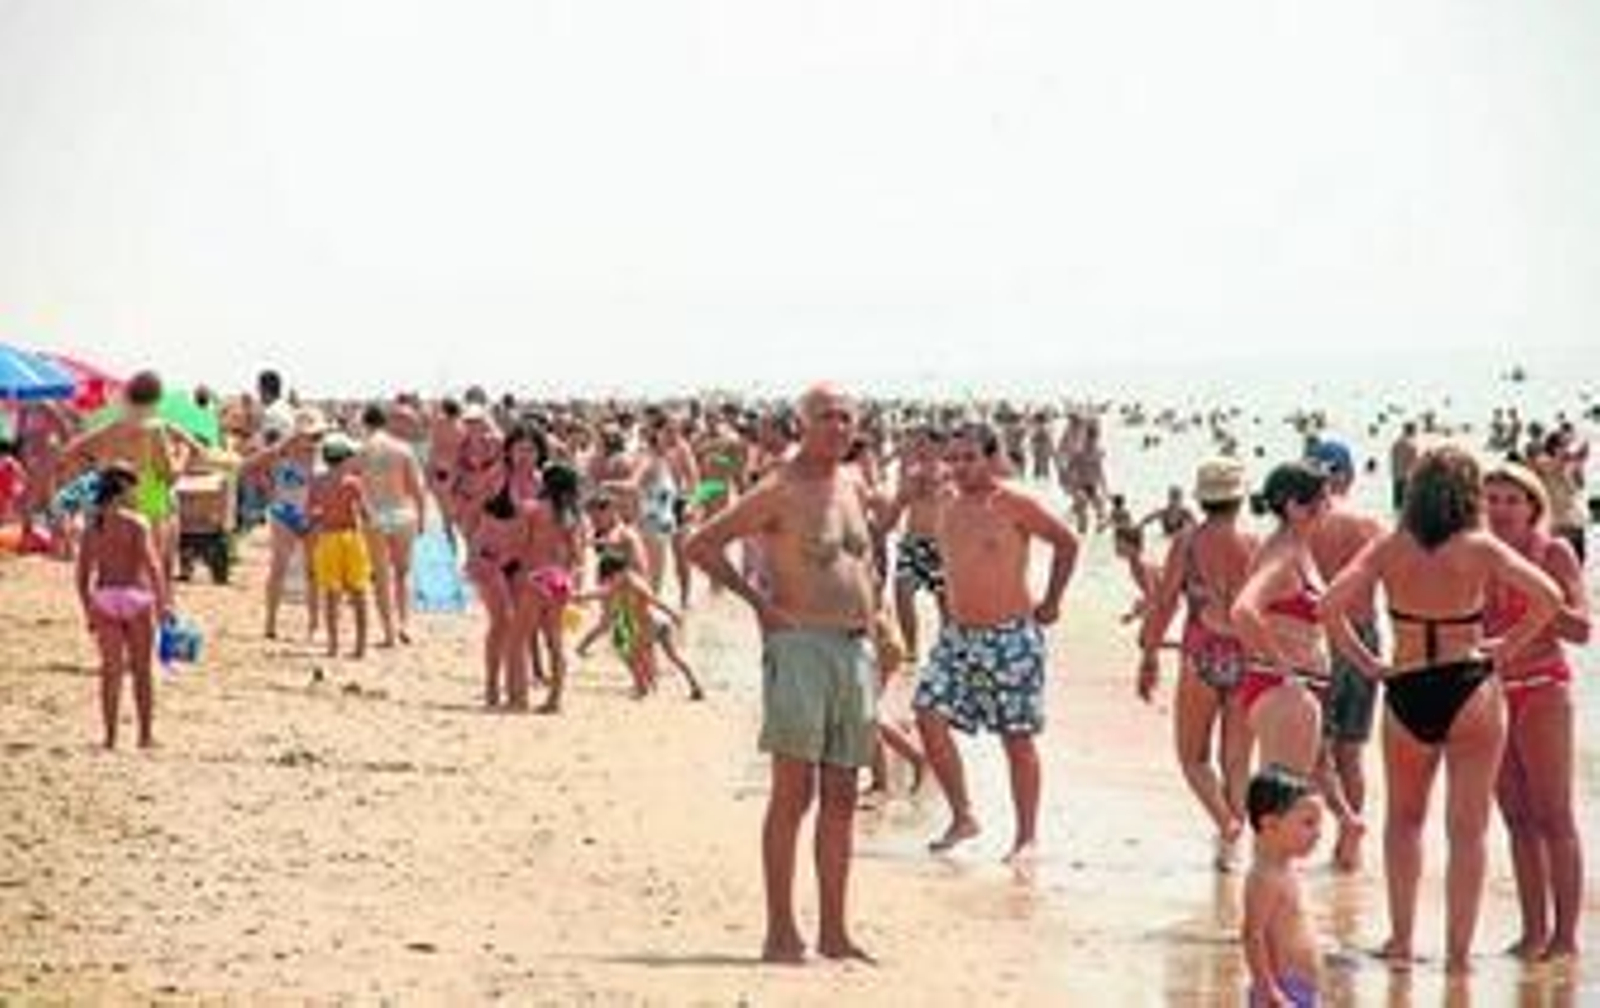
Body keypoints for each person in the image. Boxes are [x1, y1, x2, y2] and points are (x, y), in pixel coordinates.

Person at [1321, 445, 1562, 972]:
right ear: (1468, 493)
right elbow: (1549, 598)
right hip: (1471, 685)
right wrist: (1508, 646)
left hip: (1406, 684)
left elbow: (1328, 606)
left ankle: (1403, 940)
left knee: (1404, 822)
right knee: (1468, 831)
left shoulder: (1389, 548)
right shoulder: (1480, 547)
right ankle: (1457, 955)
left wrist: (1366, 662)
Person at [684, 382, 880, 964]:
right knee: (794, 794)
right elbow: (703, 544)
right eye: (826, 417)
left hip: (855, 649)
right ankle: (780, 930)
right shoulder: (778, 489)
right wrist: (760, 605)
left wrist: (881, 624)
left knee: (843, 794)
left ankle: (836, 931)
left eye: (846, 417)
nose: (838, 427)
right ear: (803, 422)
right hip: (800, 647)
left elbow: (861, 558)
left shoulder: (851, 483)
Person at [913, 422, 1080, 861]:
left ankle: (1026, 837)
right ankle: (963, 815)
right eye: (954, 458)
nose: (960, 467)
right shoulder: (946, 503)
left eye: (970, 457)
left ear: (990, 457)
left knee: (1016, 737)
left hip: (1010, 638)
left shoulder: (1013, 503)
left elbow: (1067, 542)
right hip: (957, 637)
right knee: (927, 711)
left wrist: (1052, 601)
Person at [1231, 462, 1365, 866]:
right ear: (1294, 506)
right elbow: (1243, 611)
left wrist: (1372, 664)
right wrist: (1286, 670)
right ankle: (1268, 920)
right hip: (1282, 688)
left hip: (1296, 686)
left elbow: (1327, 620)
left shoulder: (1300, 549)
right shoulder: (1283, 555)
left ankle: (1348, 827)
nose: (1330, 504)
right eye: (1322, 497)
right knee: (1282, 814)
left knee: (1309, 784)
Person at [1483, 461, 1591, 960]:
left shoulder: (1554, 552)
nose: (1501, 509)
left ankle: (1566, 937)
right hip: (1490, 692)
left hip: (1544, 687)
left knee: (1554, 815)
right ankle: (1532, 932)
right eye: (1492, 499)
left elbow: (1582, 630)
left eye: (1511, 500)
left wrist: (1538, 596)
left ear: (1533, 506)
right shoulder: (1478, 555)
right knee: (1516, 817)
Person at [1138, 458, 1256, 869]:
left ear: (1201, 498)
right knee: (1237, 758)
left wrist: (1149, 653)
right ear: (1240, 497)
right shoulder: (1257, 543)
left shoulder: (1187, 543)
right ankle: (1233, 845)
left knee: (1193, 758)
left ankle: (1226, 824)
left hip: (1201, 650)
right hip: (1248, 652)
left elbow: (1166, 601)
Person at [1305, 439, 1384, 871]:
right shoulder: (1369, 525)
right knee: (1352, 751)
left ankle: (1326, 828)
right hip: (1363, 635)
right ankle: (1348, 845)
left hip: (1315, 639)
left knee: (1315, 750)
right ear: (1348, 476)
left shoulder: (1300, 524)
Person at [76, 463, 170, 749]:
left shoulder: (92, 524)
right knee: (142, 671)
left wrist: (87, 610)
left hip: (104, 599)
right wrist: (164, 604)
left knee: (110, 673)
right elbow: (153, 567)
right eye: (134, 485)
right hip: (136, 597)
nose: (137, 491)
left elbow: (82, 575)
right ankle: (144, 735)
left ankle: (110, 737)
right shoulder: (137, 522)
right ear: (123, 488)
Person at [1242, 766, 1324, 1008]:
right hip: (1281, 991)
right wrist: (1267, 988)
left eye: (1319, 824)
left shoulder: (1286, 869)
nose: (1318, 833)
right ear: (1271, 825)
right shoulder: (1264, 877)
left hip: (1300, 989)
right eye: (1308, 823)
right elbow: (1252, 935)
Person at [576, 552, 704, 700]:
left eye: (611, 577)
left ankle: (642, 687)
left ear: (620, 572)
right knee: (672, 657)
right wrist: (578, 596)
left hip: (651, 627)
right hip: (658, 624)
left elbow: (654, 600)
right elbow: (602, 593)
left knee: (628, 652)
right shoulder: (624, 582)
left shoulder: (634, 584)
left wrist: (674, 614)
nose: (610, 581)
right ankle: (694, 686)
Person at [359, 404, 428, 647]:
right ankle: (404, 624)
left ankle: (388, 632)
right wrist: (422, 516)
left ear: (365, 424)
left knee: (381, 576)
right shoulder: (403, 449)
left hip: (376, 514)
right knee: (402, 573)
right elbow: (417, 488)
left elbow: (357, 487)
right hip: (401, 512)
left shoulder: (363, 449)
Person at [307, 434, 372, 660]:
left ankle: (333, 646)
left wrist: (324, 514)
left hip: (327, 538)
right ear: (344, 459)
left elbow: (311, 513)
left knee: (331, 595)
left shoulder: (317, 481)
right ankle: (360, 647)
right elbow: (365, 513)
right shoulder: (353, 482)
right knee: (359, 592)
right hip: (351, 537)